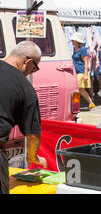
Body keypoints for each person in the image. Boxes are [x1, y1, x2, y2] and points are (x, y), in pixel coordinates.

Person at [0, 41, 48, 194]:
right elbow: (32, 134)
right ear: (27, 62)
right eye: (35, 67)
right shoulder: (25, 88)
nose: (32, 72)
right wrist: (33, 157)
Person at [70, 32, 95, 109]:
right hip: (76, 71)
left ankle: (88, 103)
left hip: (81, 71)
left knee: (79, 89)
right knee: (79, 89)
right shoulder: (75, 49)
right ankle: (90, 103)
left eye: (73, 40)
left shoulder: (82, 49)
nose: (72, 41)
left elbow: (86, 62)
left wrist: (86, 74)